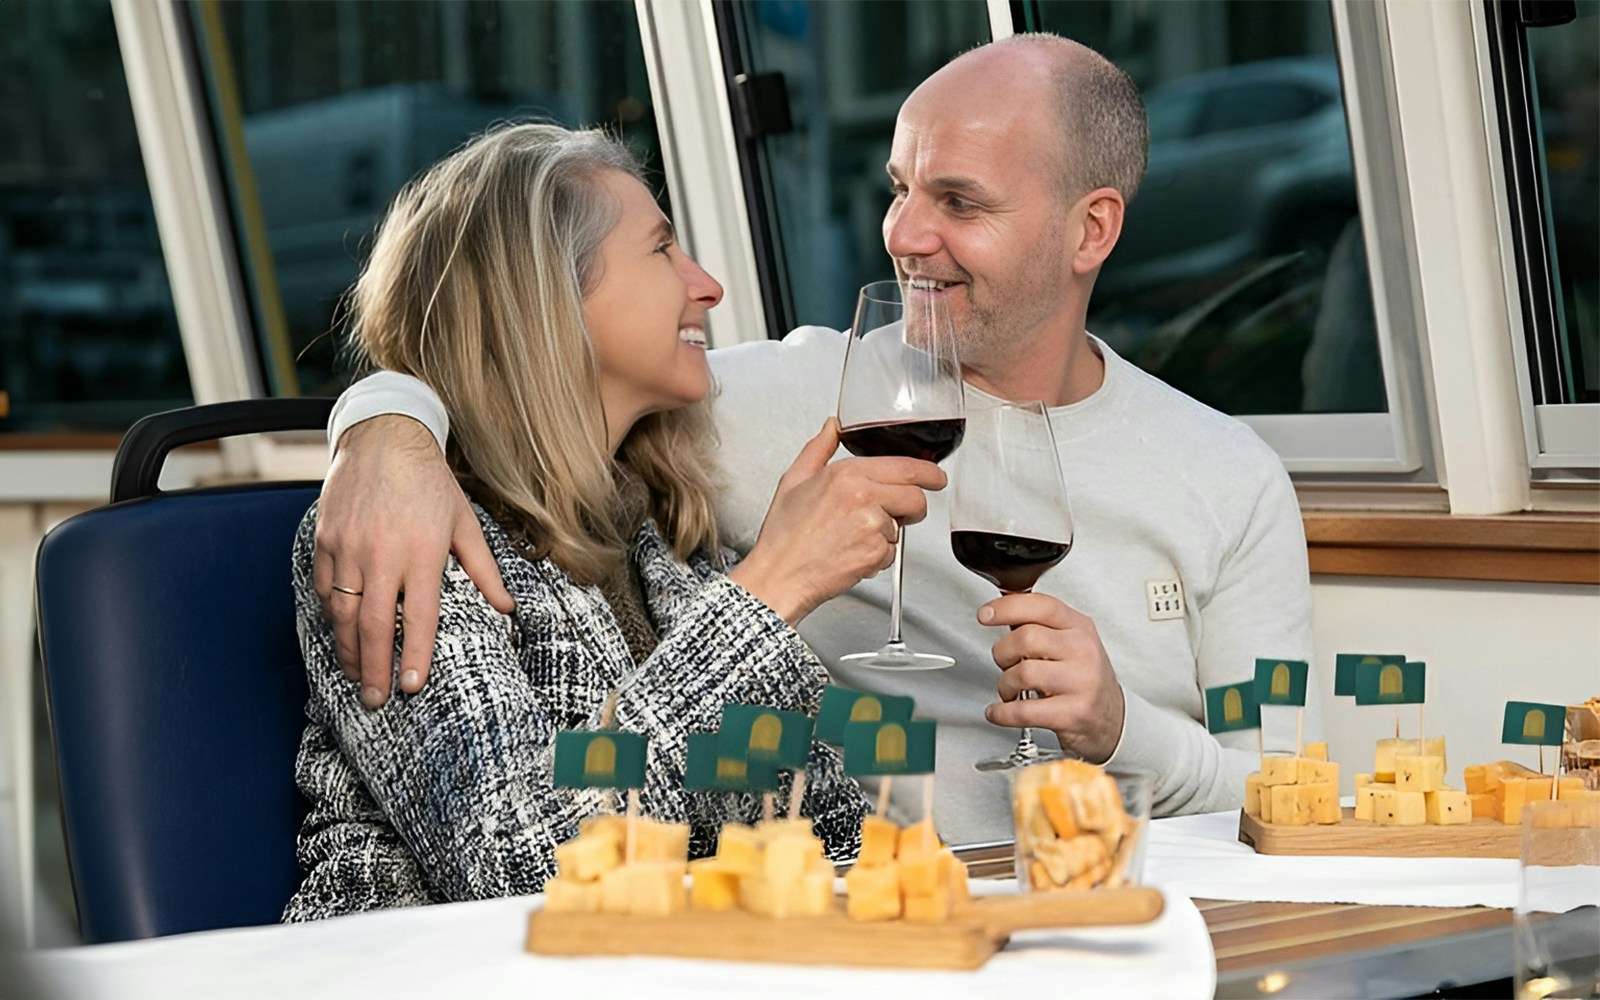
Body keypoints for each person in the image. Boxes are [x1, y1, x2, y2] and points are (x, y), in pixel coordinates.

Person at [315, 34, 1320, 845]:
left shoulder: (1227, 478)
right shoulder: (739, 407)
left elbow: (1292, 795)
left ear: (1089, 230)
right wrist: (386, 424)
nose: (903, 232)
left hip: (1107, 913)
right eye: (899, 187)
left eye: (958, 201)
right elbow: (503, 364)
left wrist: (1119, 730)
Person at [282, 123, 952, 921]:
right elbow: (512, 863)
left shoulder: (670, 540)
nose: (708, 286)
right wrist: (771, 591)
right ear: (544, 295)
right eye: (662, 250)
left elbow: (833, 827)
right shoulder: (404, 538)